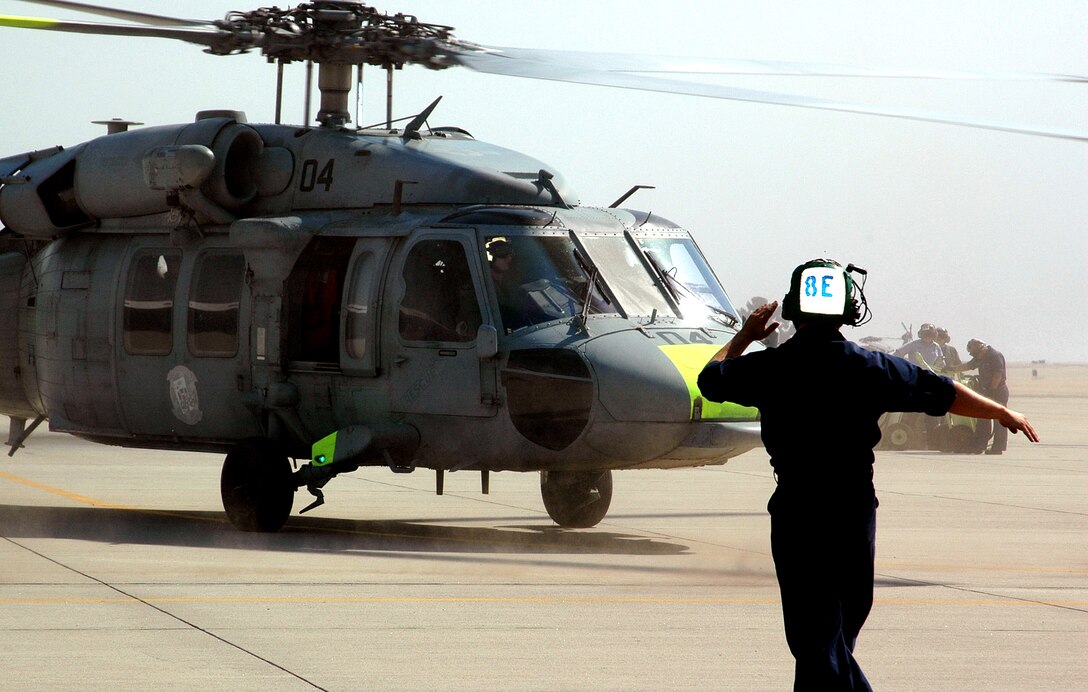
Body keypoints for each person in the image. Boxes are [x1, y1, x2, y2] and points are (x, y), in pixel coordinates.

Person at [697, 259, 1038, 691]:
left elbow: (711, 378)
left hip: (798, 511)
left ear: (792, 312)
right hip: (853, 513)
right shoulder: (872, 368)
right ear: (850, 309)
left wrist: (745, 336)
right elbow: (944, 393)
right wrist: (1002, 412)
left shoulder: (770, 368)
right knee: (831, 637)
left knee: (819, 641)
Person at [948, 339, 1010, 454]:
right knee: (983, 419)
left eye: (977, 354)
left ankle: (998, 448)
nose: (977, 357)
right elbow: (968, 366)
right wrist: (951, 369)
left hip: (998, 391)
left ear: (981, 349)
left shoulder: (994, 355)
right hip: (987, 391)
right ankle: (979, 445)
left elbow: (998, 374)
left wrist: (992, 390)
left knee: (999, 420)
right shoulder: (980, 356)